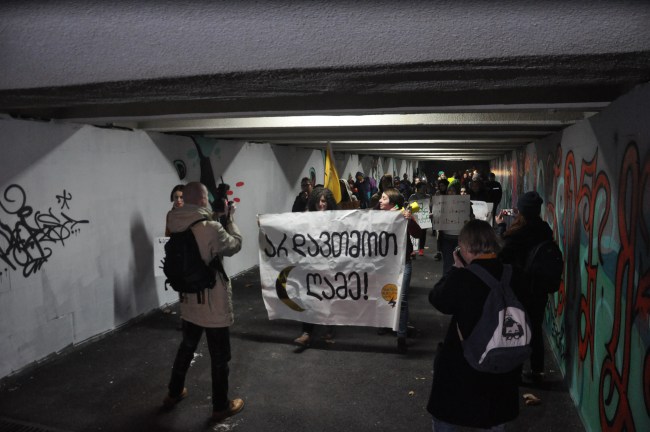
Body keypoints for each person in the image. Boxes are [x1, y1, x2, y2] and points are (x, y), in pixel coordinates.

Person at [427, 219, 522, 431]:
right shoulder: (513, 274)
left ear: (466, 247)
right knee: (495, 418)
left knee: (446, 419)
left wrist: (455, 269)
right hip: (502, 363)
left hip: (463, 363)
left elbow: (438, 299)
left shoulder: (463, 277)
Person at [162, 181, 244, 423]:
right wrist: (228, 221)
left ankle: (173, 393)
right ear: (202, 200)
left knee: (186, 348)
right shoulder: (209, 227)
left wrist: (215, 218)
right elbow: (234, 245)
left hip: (188, 300)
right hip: (211, 301)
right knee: (220, 356)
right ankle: (220, 406)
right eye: (206, 198)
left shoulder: (173, 220)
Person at [495, 191, 552, 383]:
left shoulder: (518, 232)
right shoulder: (545, 229)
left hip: (520, 286)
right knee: (535, 327)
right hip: (540, 286)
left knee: (516, 329)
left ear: (522, 210)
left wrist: (501, 226)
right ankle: (537, 370)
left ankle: (516, 371)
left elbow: (503, 253)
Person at [377, 187, 422, 353]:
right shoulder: (376, 215)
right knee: (386, 294)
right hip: (384, 264)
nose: (380, 201)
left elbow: (417, 234)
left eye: (383, 198)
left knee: (401, 299)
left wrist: (409, 220)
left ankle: (401, 335)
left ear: (393, 203)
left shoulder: (404, 216)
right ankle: (387, 323)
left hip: (403, 263)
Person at [293, 187, 338, 348]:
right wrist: (267, 224)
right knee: (308, 297)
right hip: (310, 264)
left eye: (324, 201)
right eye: (319, 200)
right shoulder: (306, 218)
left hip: (329, 264)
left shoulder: (337, 219)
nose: (321, 204)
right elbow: (288, 226)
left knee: (329, 296)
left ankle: (329, 329)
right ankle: (307, 332)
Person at [409, 182, 430, 256]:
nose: (424, 189)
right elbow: (411, 207)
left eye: (425, 187)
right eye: (422, 187)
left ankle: (421, 249)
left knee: (423, 234)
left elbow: (430, 206)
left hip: (424, 218)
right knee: (413, 233)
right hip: (415, 217)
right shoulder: (413, 197)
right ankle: (413, 250)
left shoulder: (427, 196)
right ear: (418, 188)